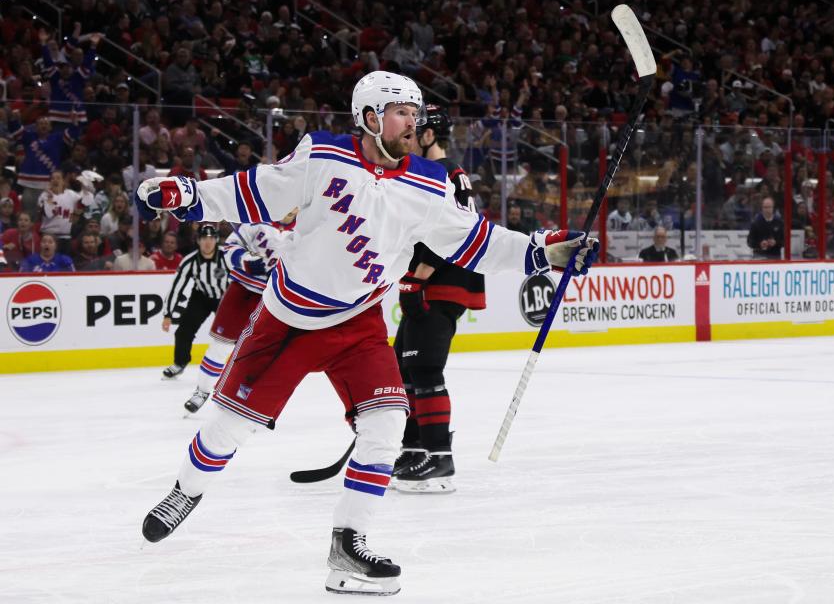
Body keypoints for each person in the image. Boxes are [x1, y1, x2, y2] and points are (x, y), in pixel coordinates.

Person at [134, 71, 596, 596]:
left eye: (415, 113)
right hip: (289, 319)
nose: (412, 121)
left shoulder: (428, 183)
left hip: (359, 323)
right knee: (227, 431)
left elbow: (474, 242)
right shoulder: (323, 156)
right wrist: (185, 193)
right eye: (401, 111)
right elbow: (251, 191)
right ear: (371, 117)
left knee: (386, 424)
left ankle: (348, 545)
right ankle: (185, 492)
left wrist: (542, 252)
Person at [390, 105, 485, 494]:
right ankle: (415, 449)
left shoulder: (445, 173)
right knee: (404, 367)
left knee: (425, 367)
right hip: (428, 280)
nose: (409, 139)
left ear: (430, 136)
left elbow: (452, 232)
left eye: (415, 133)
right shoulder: (430, 173)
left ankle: (439, 458)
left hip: (442, 282)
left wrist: (418, 278)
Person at [183, 213, 295, 414]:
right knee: (220, 345)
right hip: (241, 292)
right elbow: (230, 248)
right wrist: (249, 262)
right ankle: (202, 391)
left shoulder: (303, 232)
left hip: (272, 299)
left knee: (260, 353)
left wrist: (282, 272)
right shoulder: (256, 220)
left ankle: (245, 400)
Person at [159, 224, 229, 380]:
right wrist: (168, 314)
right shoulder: (190, 261)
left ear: (216, 240)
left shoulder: (227, 257)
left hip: (226, 298)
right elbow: (176, 288)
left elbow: (241, 279)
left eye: (211, 238)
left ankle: (238, 366)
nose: (207, 242)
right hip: (201, 297)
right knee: (184, 331)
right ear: (198, 241)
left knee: (236, 333)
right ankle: (179, 363)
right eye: (204, 238)